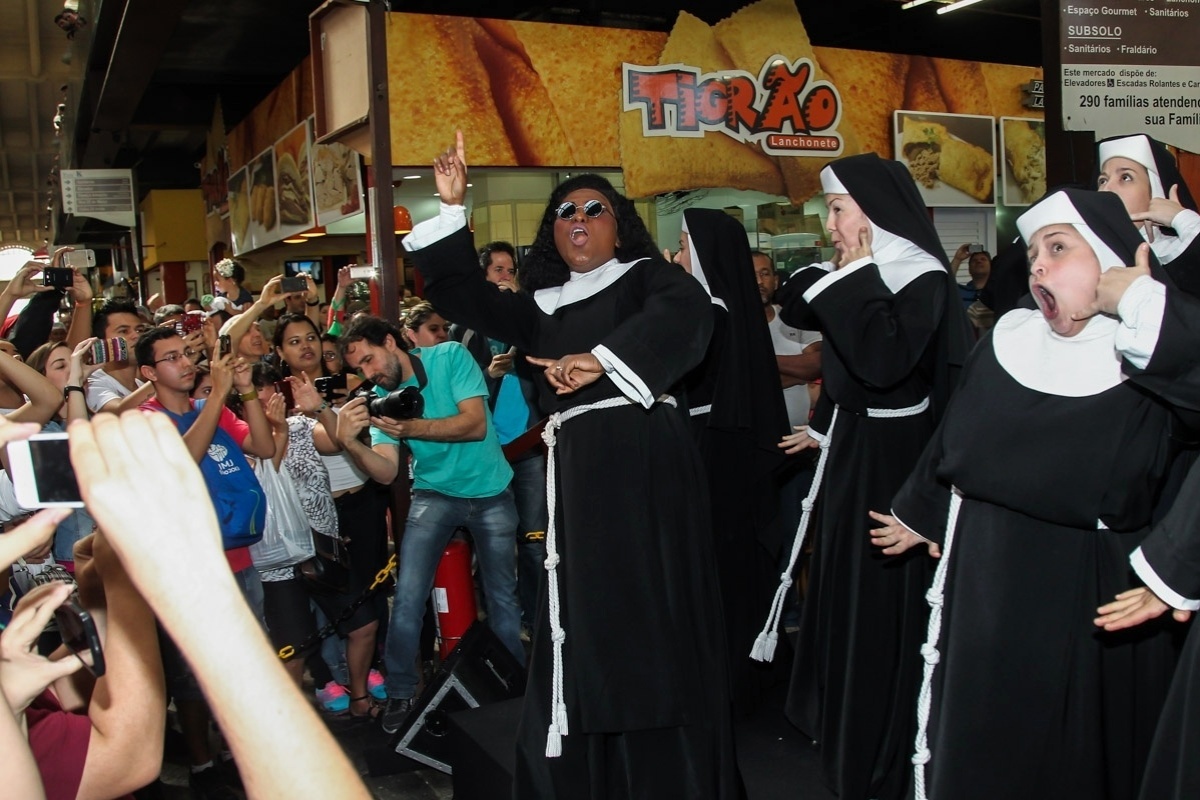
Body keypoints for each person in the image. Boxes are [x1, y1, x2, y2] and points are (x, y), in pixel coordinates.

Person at [406, 132, 738, 797]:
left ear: (620, 226)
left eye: (594, 209)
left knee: (650, 602)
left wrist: (604, 360)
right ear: (551, 235)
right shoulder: (539, 307)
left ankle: (663, 762)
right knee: (584, 609)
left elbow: (689, 314)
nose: (578, 220)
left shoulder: (649, 279)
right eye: (565, 212)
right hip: (578, 471)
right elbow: (463, 298)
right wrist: (450, 210)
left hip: (646, 459)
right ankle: (591, 756)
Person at [877, 188, 1200, 799]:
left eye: (1058, 248)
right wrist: (925, 511)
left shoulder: (1149, 351)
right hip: (988, 580)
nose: (1038, 267)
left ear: (1112, 260)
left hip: (1092, 591)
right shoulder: (1010, 339)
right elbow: (959, 438)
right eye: (1032, 256)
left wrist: (1135, 298)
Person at [763, 152, 973, 800]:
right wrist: (826, 424)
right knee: (842, 586)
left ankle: (878, 739)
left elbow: (883, 363)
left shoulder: (924, 278)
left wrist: (853, 277)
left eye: (837, 208)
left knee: (880, 603)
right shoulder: (862, 271)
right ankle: (839, 718)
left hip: (897, 459)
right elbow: (811, 323)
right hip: (855, 449)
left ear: (873, 210)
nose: (829, 223)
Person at [67, 410, 372, 799]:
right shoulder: (153, 412)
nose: (186, 359)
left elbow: (262, 447)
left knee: (243, 665)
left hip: (237, 560)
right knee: (189, 681)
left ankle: (236, 753)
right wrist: (124, 567)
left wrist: (106, 578)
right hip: (192, 570)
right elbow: (128, 758)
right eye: (171, 356)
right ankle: (203, 763)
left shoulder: (212, 410)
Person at [335, 315, 523, 733]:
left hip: (491, 490)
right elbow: (385, 473)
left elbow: (474, 425)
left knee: (503, 601)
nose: (368, 374)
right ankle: (402, 691)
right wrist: (348, 441)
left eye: (369, 360)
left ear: (389, 341)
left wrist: (411, 428)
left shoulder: (449, 356)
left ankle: (515, 689)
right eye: (359, 369)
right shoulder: (382, 397)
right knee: (407, 599)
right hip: (435, 494)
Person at [673, 209, 792, 717]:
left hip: (710, 452)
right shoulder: (727, 309)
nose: (676, 257)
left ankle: (723, 679)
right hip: (729, 451)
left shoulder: (708, 312)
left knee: (718, 570)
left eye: (682, 247)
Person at [451, 240, 549, 636]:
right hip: (485, 451)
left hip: (529, 446)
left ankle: (535, 616)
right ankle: (487, 618)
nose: (506, 277)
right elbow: (457, 398)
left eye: (511, 271)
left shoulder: (531, 321)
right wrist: (488, 377)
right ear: (483, 277)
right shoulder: (465, 331)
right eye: (498, 271)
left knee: (534, 538)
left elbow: (550, 369)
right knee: (487, 541)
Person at [1096, 134, 1200, 282]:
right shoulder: (1084, 255)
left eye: (1126, 177)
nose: (1106, 189)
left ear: (1154, 192)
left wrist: (1182, 218)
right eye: (1103, 180)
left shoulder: (1175, 253)